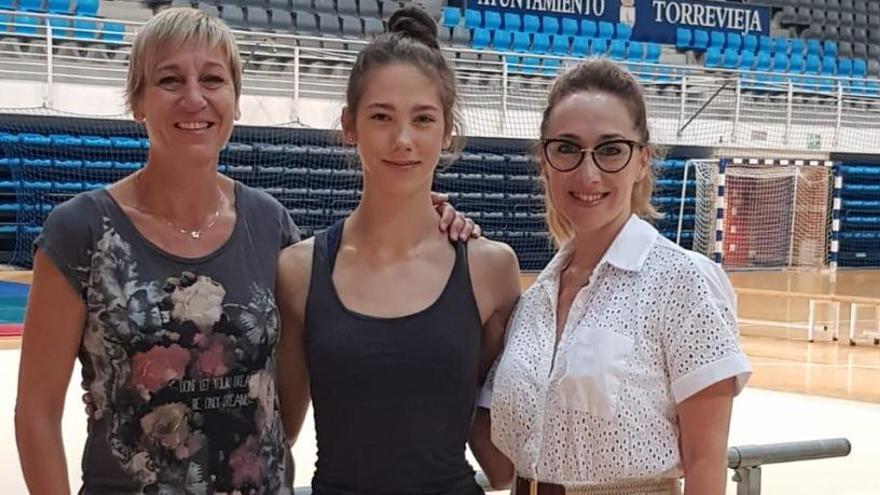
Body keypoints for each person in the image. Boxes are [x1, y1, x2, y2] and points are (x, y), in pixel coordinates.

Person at [14, 8, 475, 494]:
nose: (195, 97)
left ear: (234, 102)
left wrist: (430, 215)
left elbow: (283, 405)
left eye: (213, 79)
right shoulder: (80, 230)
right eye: (170, 80)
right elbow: (36, 414)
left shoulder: (269, 224)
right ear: (138, 102)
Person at [472, 59, 752, 495]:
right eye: (566, 148)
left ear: (642, 160)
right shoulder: (533, 303)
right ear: (544, 162)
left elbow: (704, 465)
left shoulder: (682, 283)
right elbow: (503, 464)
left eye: (610, 149)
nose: (588, 173)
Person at [274, 6, 523, 495]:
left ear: (446, 129)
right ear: (350, 126)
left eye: (423, 119)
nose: (404, 139)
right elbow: (277, 437)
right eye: (381, 116)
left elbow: (505, 445)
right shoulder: (298, 271)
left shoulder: (491, 269)